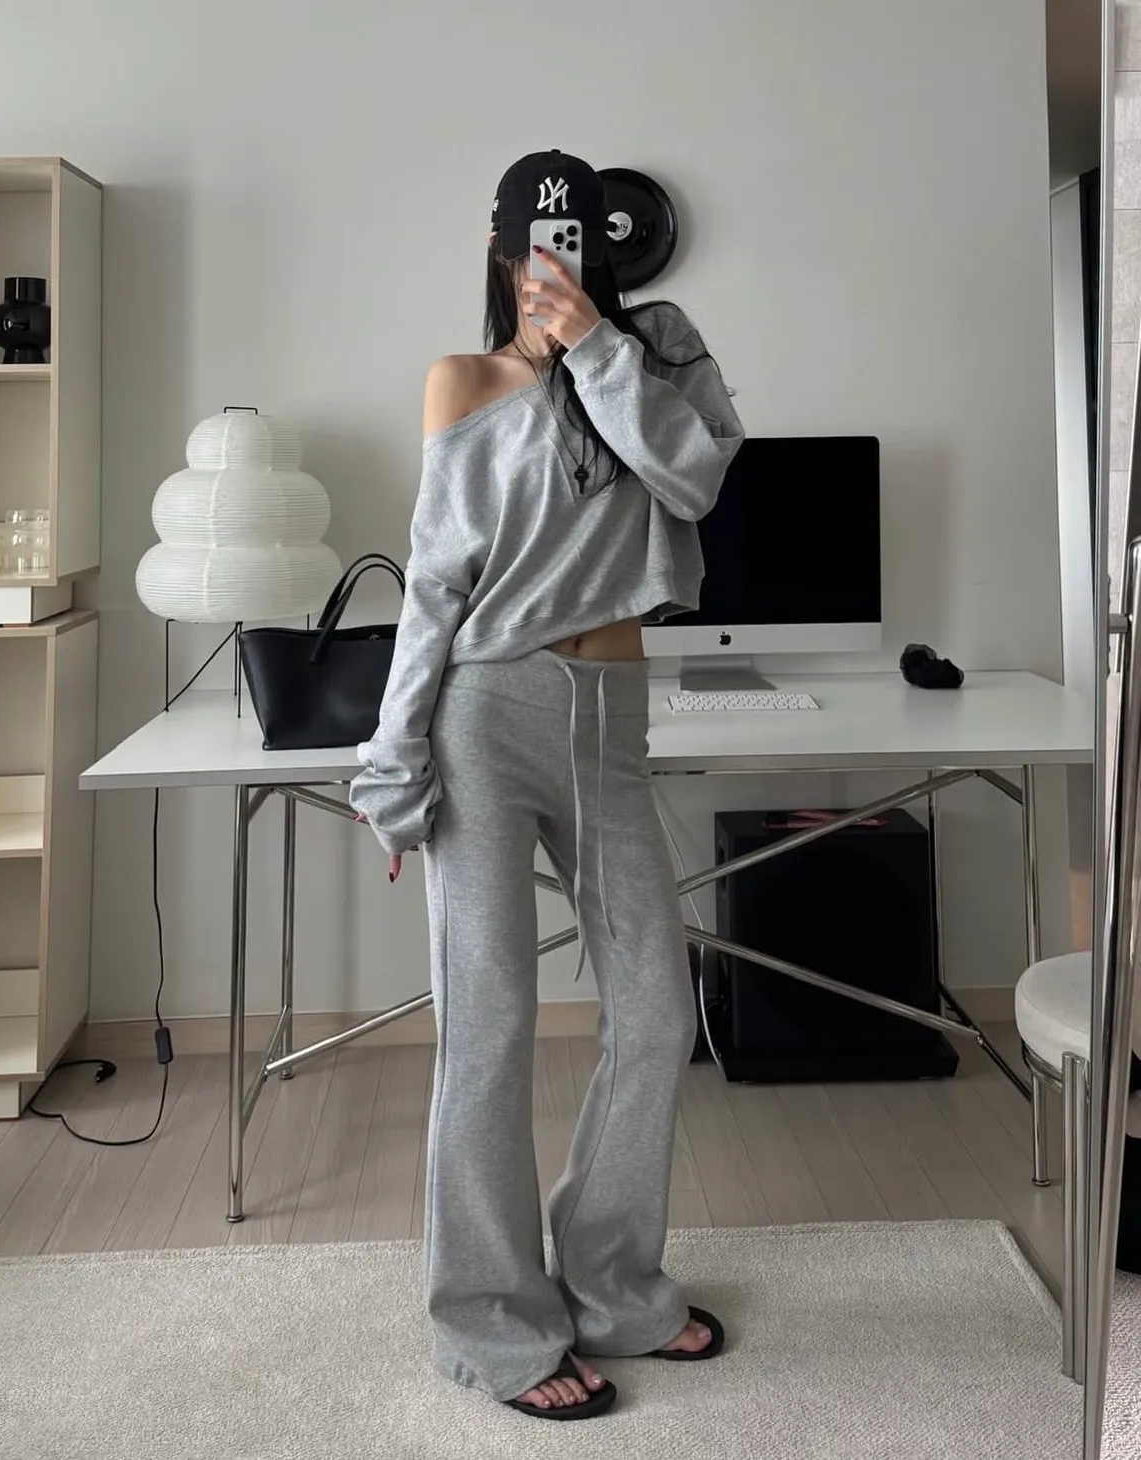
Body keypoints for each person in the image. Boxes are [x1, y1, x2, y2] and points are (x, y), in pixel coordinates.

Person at [349, 149, 745, 1420]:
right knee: (492, 1021)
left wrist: (593, 348)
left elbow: (695, 476)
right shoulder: (462, 382)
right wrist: (394, 762)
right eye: (537, 245)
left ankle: (614, 1284)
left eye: (576, 245)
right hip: (486, 709)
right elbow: (435, 581)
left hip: (611, 717)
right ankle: (489, 1321)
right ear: (504, 247)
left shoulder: (659, 352)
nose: (555, 266)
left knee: (655, 1007)